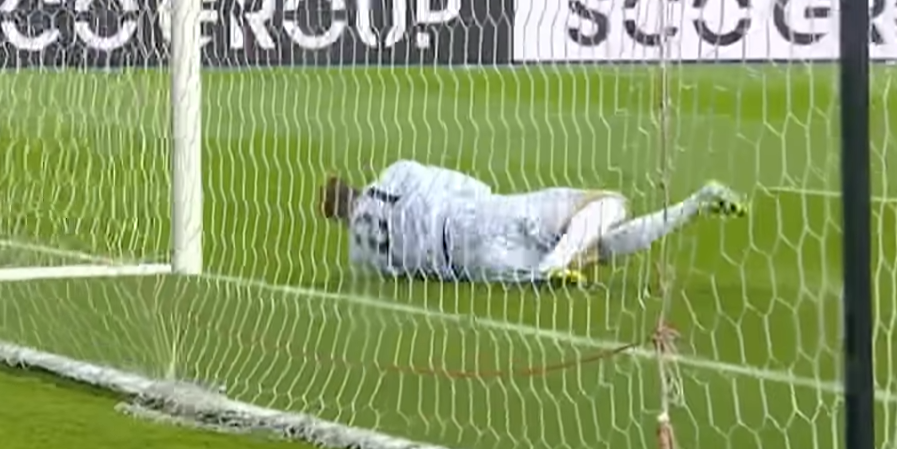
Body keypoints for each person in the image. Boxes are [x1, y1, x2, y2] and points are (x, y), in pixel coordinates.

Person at [319, 161, 744, 287]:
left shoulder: (361, 252)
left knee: (597, 249)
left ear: (339, 218)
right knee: (611, 203)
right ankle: (557, 262)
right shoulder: (395, 175)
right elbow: (469, 185)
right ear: (353, 187)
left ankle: (695, 204)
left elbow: (399, 275)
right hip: (476, 217)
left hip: (471, 268)